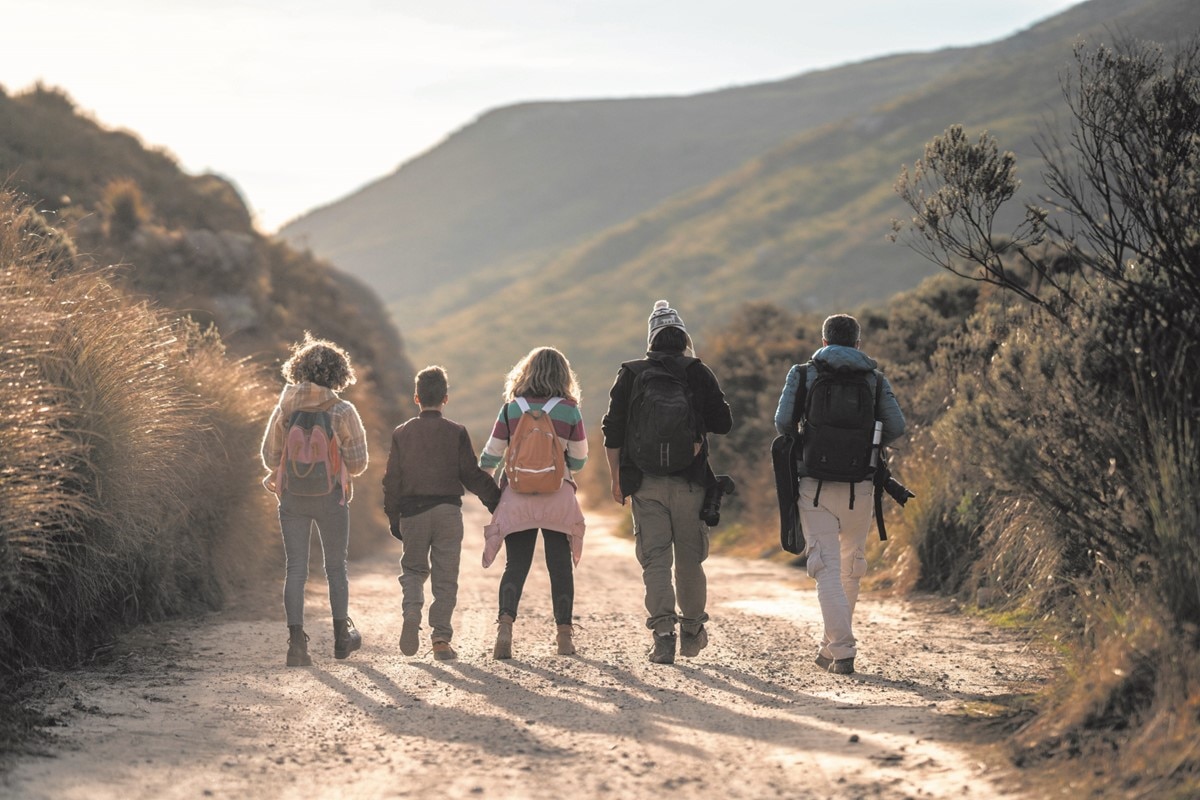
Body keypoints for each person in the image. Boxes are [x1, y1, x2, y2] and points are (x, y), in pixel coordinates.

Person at [773, 313, 906, 675]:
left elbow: (783, 423)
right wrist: (864, 445)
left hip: (814, 484)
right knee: (850, 567)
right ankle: (832, 646)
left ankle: (842, 648)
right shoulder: (875, 379)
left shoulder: (802, 374)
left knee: (825, 566)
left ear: (824, 342)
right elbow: (896, 426)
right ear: (858, 344)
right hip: (861, 486)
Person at [601, 300, 733, 665]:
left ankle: (662, 634)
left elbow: (612, 431)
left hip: (644, 482)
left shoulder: (630, 372)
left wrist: (616, 480)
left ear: (651, 340)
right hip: (691, 481)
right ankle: (692, 631)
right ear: (683, 338)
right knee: (690, 558)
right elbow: (724, 423)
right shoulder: (698, 371)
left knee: (655, 558)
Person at [261, 333, 370, 667]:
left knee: (295, 568)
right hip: (331, 498)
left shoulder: (285, 407)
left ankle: (297, 646)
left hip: (292, 497)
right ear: (338, 374)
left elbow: (269, 457)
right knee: (335, 566)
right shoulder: (342, 410)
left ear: (298, 370)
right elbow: (358, 463)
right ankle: (341, 639)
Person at [381, 366, 502, 661]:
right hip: (448, 512)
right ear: (445, 398)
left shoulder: (402, 433)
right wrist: (498, 503)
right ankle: (440, 640)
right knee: (446, 577)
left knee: (413, 570)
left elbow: (391, 480)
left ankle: (412, 611)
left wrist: (393, 517)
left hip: (413, 513)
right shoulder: (456, 432)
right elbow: (471, 475)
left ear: (416, 398)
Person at [478, 347, 588, 659]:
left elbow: (491, 454)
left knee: (516, 564)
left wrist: (488, 489)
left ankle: (505, 629)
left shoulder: (512, 409)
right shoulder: (569, 409)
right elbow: (580, 459)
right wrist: (561, 468)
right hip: (558, 496)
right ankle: (564, 636)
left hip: (518, 495)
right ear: (563, 375)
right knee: (559, 565)